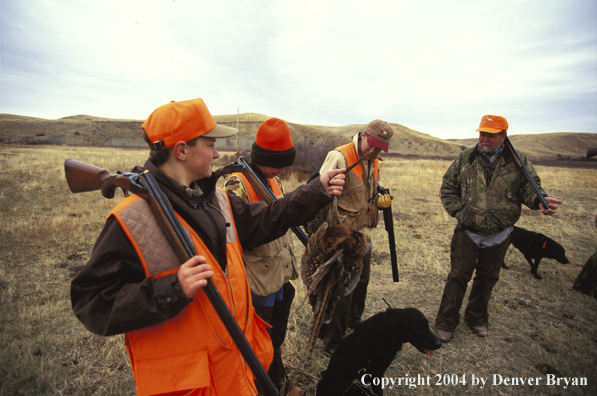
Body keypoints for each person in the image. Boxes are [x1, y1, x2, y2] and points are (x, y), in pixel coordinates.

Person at [70, 98, 346, 396]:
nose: (218, 152)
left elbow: (267, 218)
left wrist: (316, 189)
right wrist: (172, 288)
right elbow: (91, 300)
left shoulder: (217, 200)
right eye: (210, 144)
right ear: (181, 150)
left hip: (237, 369)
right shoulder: (132, 218)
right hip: (190, 384)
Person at [435, 114, 562, 343]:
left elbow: (530, 190)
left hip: (500, 233)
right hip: (468, 232)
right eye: (482, 133)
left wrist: (539, 201)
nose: (484, 139)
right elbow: (448, 188)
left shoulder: (518, 161)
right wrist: (459, 213)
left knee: (488, 277)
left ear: (503, 136)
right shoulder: (466, 158)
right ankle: (446, 322)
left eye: (491, 135)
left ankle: (476, 318)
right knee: (457, 277)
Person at [223, 118, 302, 396]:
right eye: (278, 162)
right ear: (263, 158)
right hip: (256, 277)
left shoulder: (272, 179)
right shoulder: (238, 183)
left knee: (275, 335)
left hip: (277, 271)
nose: (283, 169)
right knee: (260, 338)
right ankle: (261, 387)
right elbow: (232, 233)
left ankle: (277, 381)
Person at [316, 119, 394, 354]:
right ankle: (333, 343)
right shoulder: (339, 156)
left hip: (363, 233)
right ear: (362, 135)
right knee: (343, 288)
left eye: (380, 148)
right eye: (372, 145)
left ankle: (352, 321)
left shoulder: (374, 161)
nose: (374, 150)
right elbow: (318, 195)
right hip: (342, 235)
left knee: (362, 280)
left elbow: (366, 195)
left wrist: (380, 203)